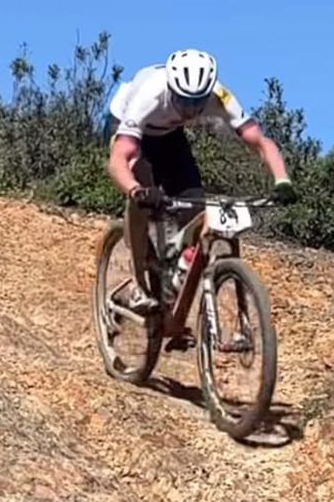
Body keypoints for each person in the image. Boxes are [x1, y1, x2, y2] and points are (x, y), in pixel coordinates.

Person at [105, 48, 297, 313]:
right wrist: (136, 190)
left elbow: (259, 141)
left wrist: (282, 180)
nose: (191, 109)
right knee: (141, 194)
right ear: (172, 90)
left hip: (168, 133)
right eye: (183, 101)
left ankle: (175, 273)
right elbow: (118, 161)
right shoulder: (149, 96)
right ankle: (138, 283)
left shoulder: (220, 96)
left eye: (197, 102)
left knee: (197, 208)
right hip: (126, 126)